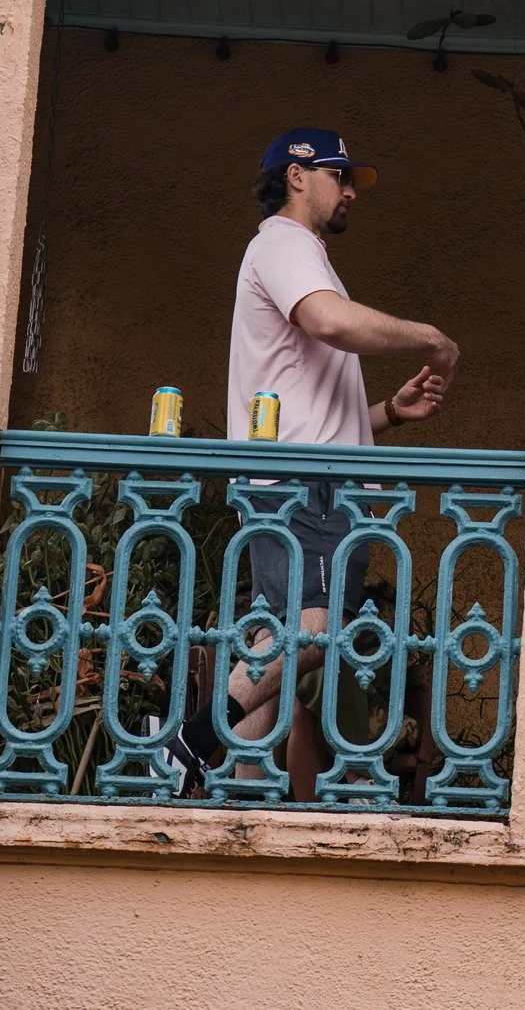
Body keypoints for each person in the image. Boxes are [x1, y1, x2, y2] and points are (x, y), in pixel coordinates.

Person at [219, 129, 461, 792]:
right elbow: (329, 321)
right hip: (309, 488)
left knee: (281, 642)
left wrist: (384, 410)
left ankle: (234, 793)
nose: (351, 188)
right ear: (297, 175)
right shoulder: (284, 241)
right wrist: (432, 339)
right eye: (340, 173)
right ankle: (195, 731)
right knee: (315, 627)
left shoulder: (298, 252)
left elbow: (312, 387)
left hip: (304, 481)